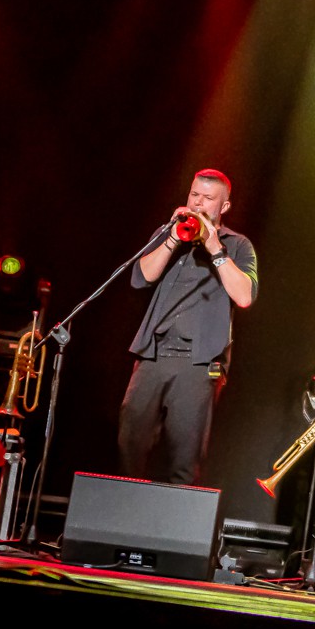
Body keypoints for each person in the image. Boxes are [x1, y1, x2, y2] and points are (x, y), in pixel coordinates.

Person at [118, 168, 257, 486]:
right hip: (153, 352)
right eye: (194, 195)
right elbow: (142, 277)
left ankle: (173, 515)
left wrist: (214, 248)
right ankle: (128, 507)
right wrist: (171, 238)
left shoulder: (237, 245)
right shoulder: (168, 232)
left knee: (185, 455)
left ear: (224, 206)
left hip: (199, 362)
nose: (198, 203)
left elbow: (244, 296)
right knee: (130, 437)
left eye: (208, 198)